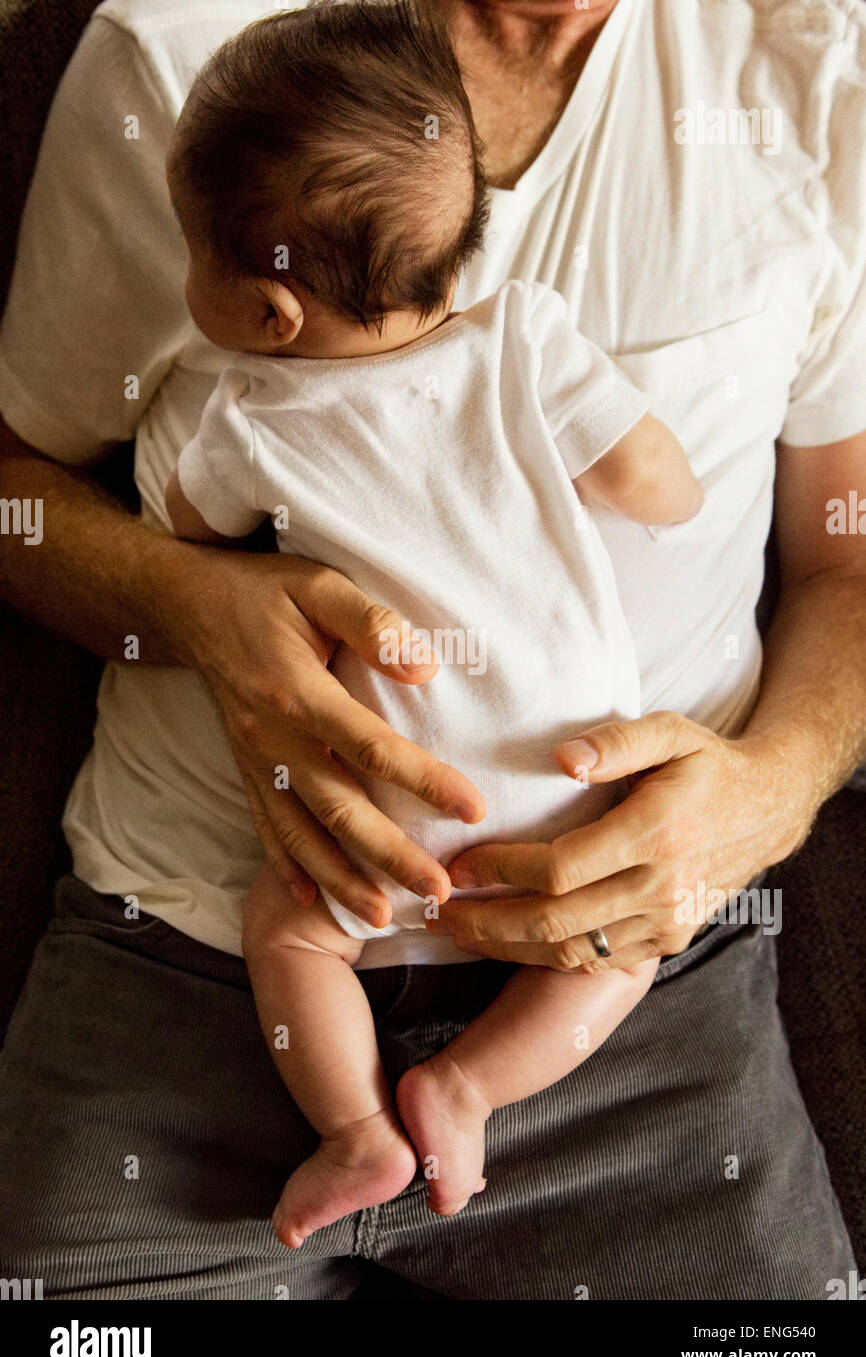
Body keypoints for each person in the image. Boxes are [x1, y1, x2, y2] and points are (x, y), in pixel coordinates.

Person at [0, 0, 862, 1299]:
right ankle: (436, 1101)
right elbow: (17, 490)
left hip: (638, 984)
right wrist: (188, 605)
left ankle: (364, 1126)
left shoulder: (814, 64)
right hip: (178, 985)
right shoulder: (184, 53)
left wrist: (767, 792)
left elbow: (845, 558)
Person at [163, 3, 703, 1244]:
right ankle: (463, 1088)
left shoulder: (249, 415)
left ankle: (356, 1128)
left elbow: (189, 529)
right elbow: (652, 484)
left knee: (291, 936)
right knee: (618, 953)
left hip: (384, 811)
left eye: (190, 255)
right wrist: (660, 478)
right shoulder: (523, 339)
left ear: (267, 313)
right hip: (569, 777)